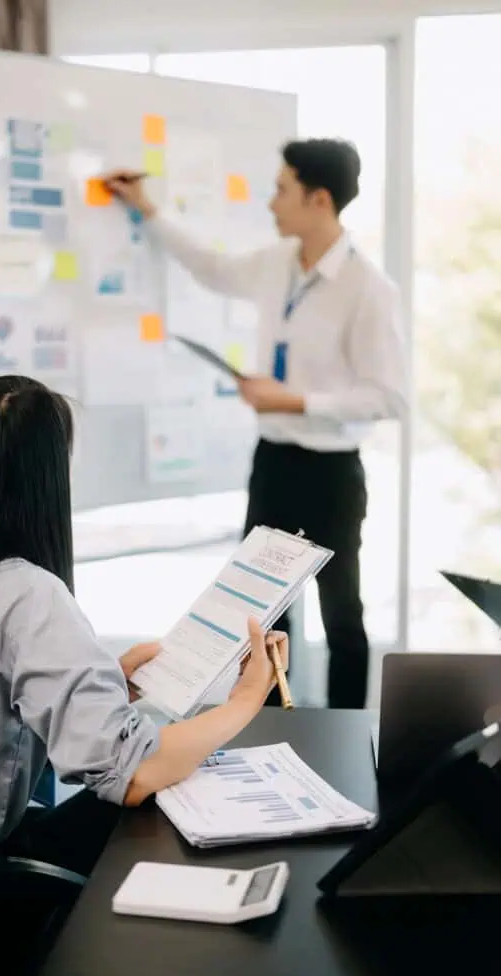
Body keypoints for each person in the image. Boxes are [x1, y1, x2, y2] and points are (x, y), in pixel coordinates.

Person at [0, 376, 287, 878]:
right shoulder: (26, 594)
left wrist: (106, 685)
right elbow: (134, 771)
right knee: (164, 789)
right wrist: (244, 701)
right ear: (48, 478)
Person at [105, 138, 406, 710]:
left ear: (319, 200)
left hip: (332, 472)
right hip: (273, 463)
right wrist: (148, 210)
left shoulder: (369, 289)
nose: (271, 203)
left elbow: (387, 397)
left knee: (342, 616)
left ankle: (344, 741)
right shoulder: (276, 262)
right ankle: (265, 725)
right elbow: (212, 268)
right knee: (261, 616)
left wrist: (293, 401)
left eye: (281, 189)